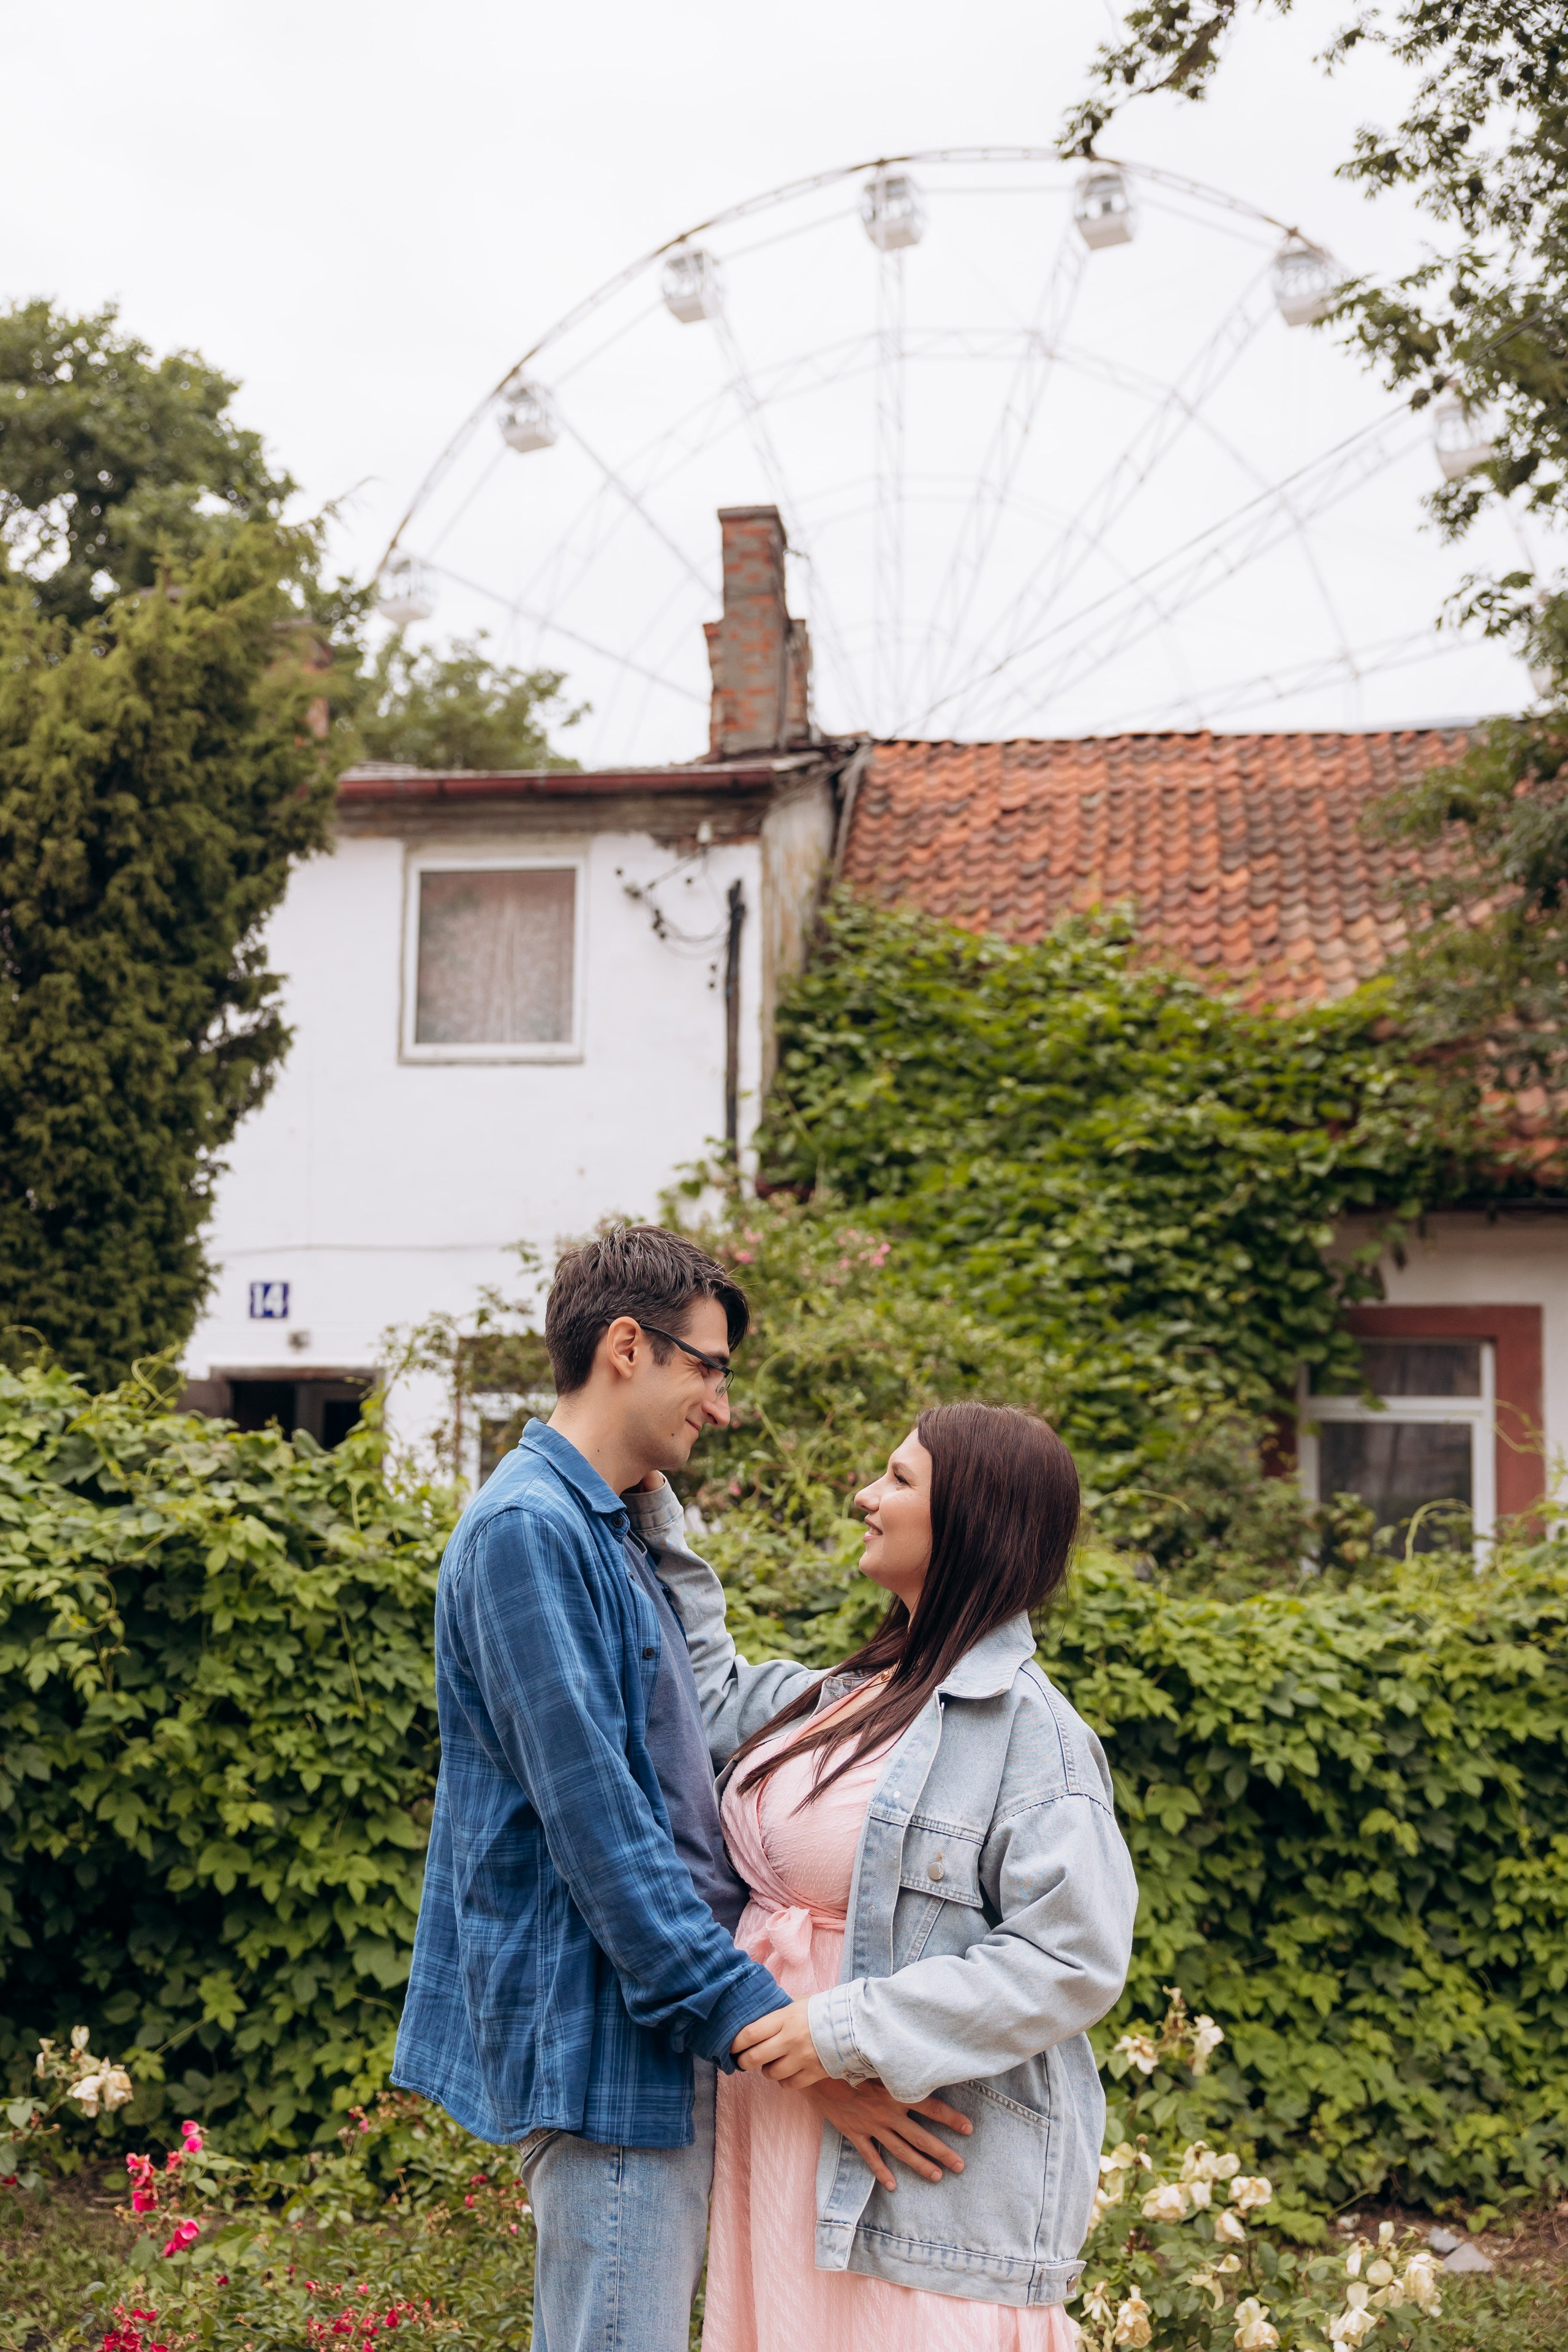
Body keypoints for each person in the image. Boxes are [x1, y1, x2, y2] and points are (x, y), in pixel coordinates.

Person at [393, 1226, 974, 2352]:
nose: (721, 1402)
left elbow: (710, 1706)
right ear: (627, 1347)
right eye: (708, 1367)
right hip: (606, 2042)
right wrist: (804, 2058)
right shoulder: (528, 1535)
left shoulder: (608, 1527)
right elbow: (611, 1853)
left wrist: (914, 1674)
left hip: (648, 2037)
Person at [625, 1400, 1139, 2351]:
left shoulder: (1034, 1739)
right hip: (786, 2131)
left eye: (899, 1480)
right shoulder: (853, 1691)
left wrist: (844, 2032)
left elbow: (1073, 1957)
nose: (866, 1496)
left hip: (911, 2178)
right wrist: (656, 1519)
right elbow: (703, 1699)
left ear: (975, 1524)